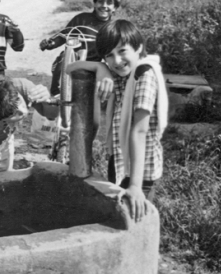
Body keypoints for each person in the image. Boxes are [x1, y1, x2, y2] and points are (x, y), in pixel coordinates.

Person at [68, 19, 168, 222]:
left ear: (139, 47)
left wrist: (135, 187)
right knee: (117, 218)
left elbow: (139, 131)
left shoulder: (143, 74)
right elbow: (70, 67)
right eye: (109, 55)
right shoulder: (122, 72)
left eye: (122, 51)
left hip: (141, 171)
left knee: (132, 223)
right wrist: (100, 68)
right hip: (120, 161)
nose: (117, 60)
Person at [39, 0, 121, 96]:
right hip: (73, 59)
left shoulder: (113, 28)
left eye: (109, 3)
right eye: (100, 1)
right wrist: (50, 43)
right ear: (95, 3)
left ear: (115, 7)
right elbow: (64, 34)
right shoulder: (81, 19)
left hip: (95, 64)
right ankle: (56, 95)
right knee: (61, 63)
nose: (104, 6)